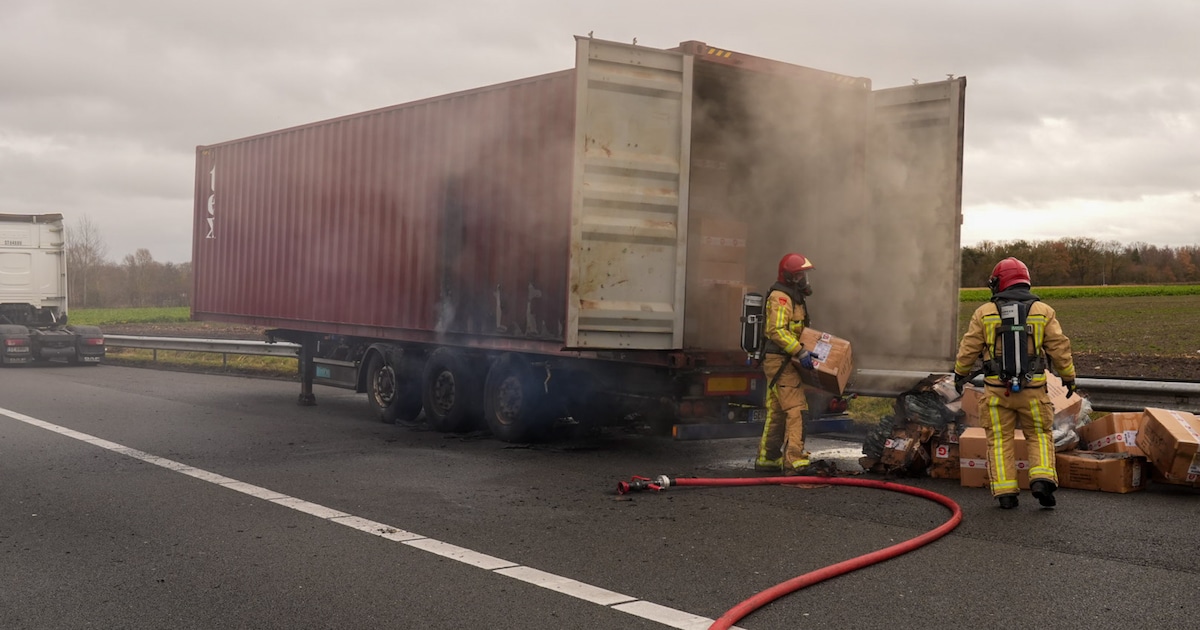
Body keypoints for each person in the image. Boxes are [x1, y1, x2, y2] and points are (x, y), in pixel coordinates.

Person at [954, 257, 1077, 509]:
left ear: (1000, 282)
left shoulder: (984, 312)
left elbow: (969, 348)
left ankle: (1005, 493)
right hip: (1033, 391)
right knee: (1039, 435)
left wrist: (959, 373)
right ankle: (1042, 479)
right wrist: (1068, 377)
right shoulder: (1044, 312)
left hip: (997, 393)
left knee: (999, 439)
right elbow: (1059, 347)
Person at [755, 253, 823, 476]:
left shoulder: (794, 297)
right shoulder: (781, 297)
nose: (804, 279)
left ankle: (768, 458)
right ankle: (795, 460)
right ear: (789, 276)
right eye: (800, 274)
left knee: (777, 411)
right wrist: (799, 351)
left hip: (783, 361)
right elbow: (776, 330)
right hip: (781, 362)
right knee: (797, 409)